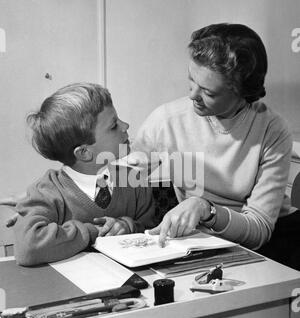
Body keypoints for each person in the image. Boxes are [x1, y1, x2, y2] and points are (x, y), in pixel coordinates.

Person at [130, 23, 300, 270]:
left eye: (208, 92)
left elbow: (259, 230)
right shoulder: (166, 119)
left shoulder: (272, 130)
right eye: (191, 80)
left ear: (242, 92)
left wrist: (205, 209)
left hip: (275, 238)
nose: (192, 96)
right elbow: (120, 180)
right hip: (204, 237)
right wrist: (121, 217)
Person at [5, 83, 154, 266]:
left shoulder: (135, 181)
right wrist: (92, 232)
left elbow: (153, 232)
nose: (125, 125)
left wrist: (128, 226)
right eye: (114, 125)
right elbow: (27, 248)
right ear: (84, 153)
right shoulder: (47, 192)